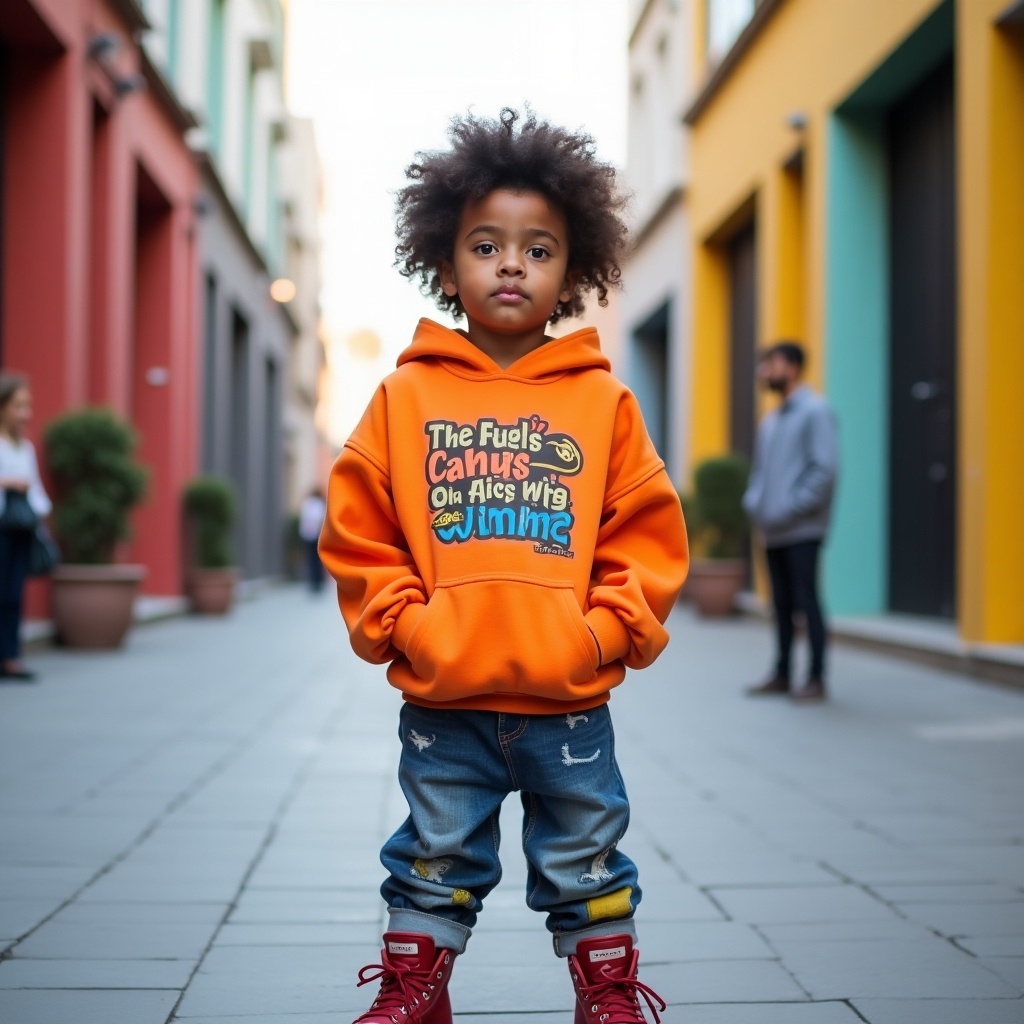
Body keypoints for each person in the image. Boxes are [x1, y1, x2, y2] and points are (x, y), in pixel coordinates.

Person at [318, 109, 688, 1024]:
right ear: (446, 264)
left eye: (539, 248)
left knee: (587, 854)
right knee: (434, 853)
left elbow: (644, 528)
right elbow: (359, 526)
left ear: (573, 270)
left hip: (569, 701)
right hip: (444, 700)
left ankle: (604, 993)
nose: (512, 263)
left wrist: (605, 630)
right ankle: (416, 991)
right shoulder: (406, 393)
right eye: (486, 245)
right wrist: (406, 622)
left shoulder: (603, 400)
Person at [742, 342, 838, 703]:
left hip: (802, 528)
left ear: (793, 367)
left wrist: (790, 508)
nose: (764, 371)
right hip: (772, 529)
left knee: (806, 599)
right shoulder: (771, 421)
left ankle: (816, 677)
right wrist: (754, 503)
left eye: (772, 364)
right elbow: (761, 473)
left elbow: (824, 470)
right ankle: (782, 673)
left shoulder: (816, 411)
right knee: (780, 603)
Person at [0, 374, 51, 681]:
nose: (25, 413)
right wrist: (7, 483)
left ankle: (10, 657)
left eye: (27, 406)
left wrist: (40, 519)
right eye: (18, 405)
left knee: (13, 594)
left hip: (20, 530)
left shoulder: (25, 448)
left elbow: (38, 495)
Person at [297, 487, 327, 593]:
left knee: (310, 559)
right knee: (317, 559)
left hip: (307, 535)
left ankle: (313, 582)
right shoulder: (319, 504)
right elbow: (320, 519)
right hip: (316, 535)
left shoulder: (307, 504)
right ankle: (318, 582)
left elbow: (304, 519)